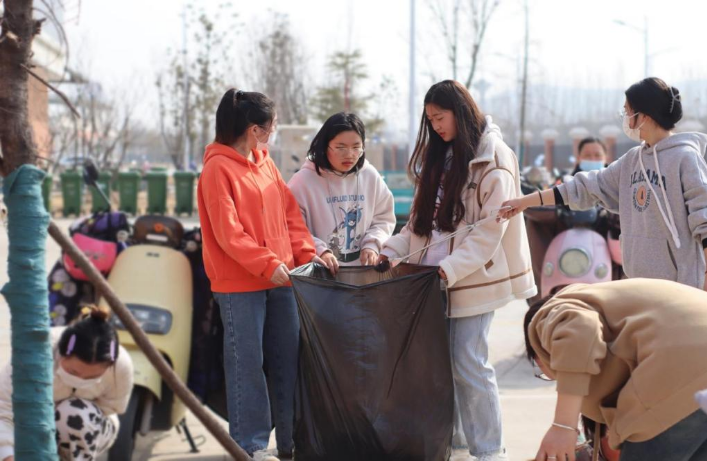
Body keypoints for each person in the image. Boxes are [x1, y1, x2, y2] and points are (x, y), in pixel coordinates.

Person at [378, 80, 537, 461]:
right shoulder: (441, 156)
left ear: (460, 111)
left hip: (472, 278)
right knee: (442, 364)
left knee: (468, 359)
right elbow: (419, 224)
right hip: (431, 281)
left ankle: (489, 450)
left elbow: (489, 229)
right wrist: (389, 252)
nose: (435, 126)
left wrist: (448, 269)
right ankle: (461, 443)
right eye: (430, 120)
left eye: (440, 117)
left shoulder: (494, 157)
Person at [197, 89, 326, 461]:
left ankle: (289, 442)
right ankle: (251, 446)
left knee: (287, 360)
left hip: (283, 280)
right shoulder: (216, 169)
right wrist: (268, 264)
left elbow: (290, 216)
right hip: (241, 286)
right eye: (271, 127)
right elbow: (228, 233)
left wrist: (305, 255)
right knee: (247, 365)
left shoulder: (264, 162)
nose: (273, 132)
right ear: (254, 129)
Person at [500, 77, 707, 291]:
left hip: (682, 286)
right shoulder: (632, 160)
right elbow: (584, 187)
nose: (625, 118)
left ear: (644, 116)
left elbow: (705, 217)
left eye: (628, 111)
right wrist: (526, 201)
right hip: (638, 286)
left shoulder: (685, 157)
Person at [524, 279, 707, 461]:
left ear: (538, 356)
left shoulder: (550, 316)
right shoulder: (605, 305)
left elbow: (581, 328)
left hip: (682, 371)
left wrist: (563, 425)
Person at [0, 305, 133, 461]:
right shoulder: (34, 353)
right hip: (29, 424)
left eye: (93, 377)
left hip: (87, 429)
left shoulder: (120, 366)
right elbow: (4, 409)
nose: (81, 380)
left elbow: (112, 407)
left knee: (74, 413)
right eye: (73, 372)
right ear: (61, 354)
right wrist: (8, 455)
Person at [288, 112, 395, 271]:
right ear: (324, 146)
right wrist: (320, 251)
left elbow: (383, 218)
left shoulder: (370, 176)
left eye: (356, 147)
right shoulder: (302, 182)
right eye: (340, 147)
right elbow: (293, 229)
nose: (349, 155)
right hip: (320, 275)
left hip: (363, 274)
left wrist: (372, 244)